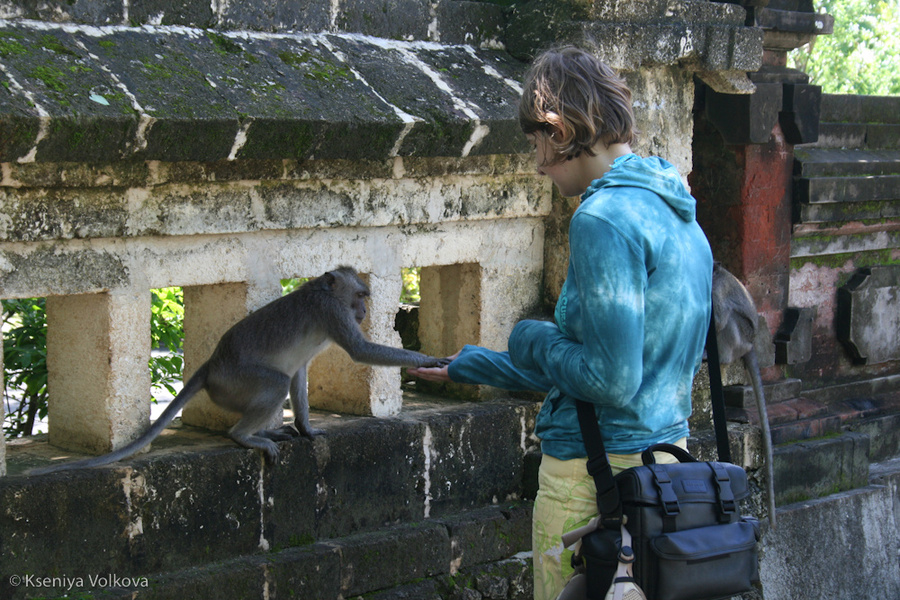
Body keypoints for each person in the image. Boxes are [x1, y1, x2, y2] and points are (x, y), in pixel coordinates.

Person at [409, 46, 713, 600]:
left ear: (564, 127)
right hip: (663, 476)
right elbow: (618, 374)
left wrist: (528, 337)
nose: (538, 164)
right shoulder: (675, 211)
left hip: (593, 484)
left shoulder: (603, 219)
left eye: (536, 143)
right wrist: (481, 366)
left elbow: (609, 381)